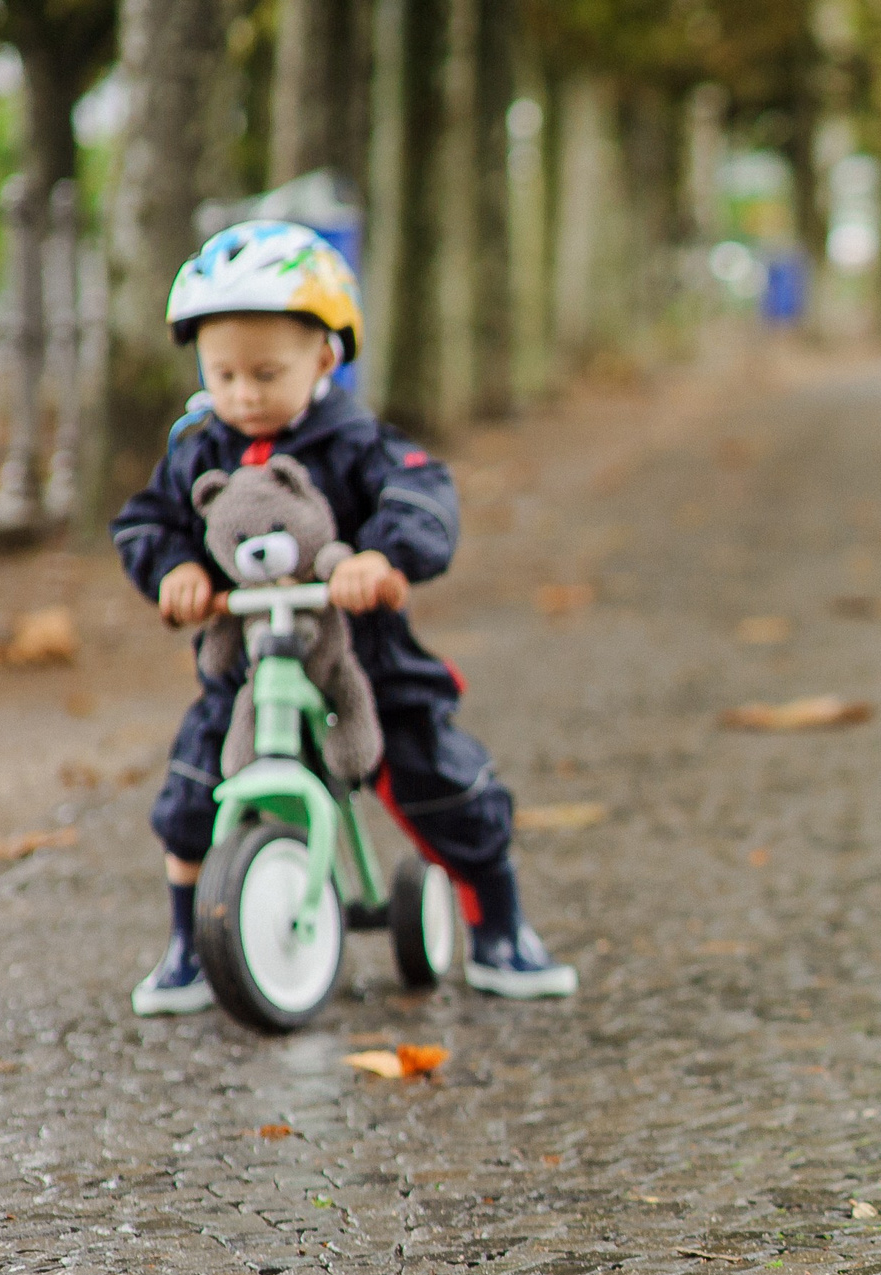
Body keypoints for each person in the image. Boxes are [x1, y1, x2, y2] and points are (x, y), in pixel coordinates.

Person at [117, 221, 576, 1014]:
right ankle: (191, 944)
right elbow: (148, 521)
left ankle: (499, 925)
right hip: (248, 661)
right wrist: (177, 569)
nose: (243, 394)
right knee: (194, 785)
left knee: (440, 775)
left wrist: (381, 557)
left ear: (326, 356)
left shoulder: (357, 441)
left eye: (266, 372)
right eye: (221, 373)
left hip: (361, 653)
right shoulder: (198, 446)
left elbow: (420, 493)